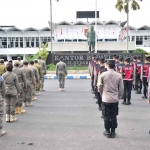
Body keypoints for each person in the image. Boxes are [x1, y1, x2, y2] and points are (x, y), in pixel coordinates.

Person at [99, 59, 124, 138]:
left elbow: (99, 86)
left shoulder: (103, 75)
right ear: (114, 66)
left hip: (106, 98)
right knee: (113, 115)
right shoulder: (118, 75)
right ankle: (113, 132)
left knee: (106, 115)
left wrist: (102, 94)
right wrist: (119, 96)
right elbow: (121, 88)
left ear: (108, 65)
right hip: (115, 98)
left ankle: (107, 131)